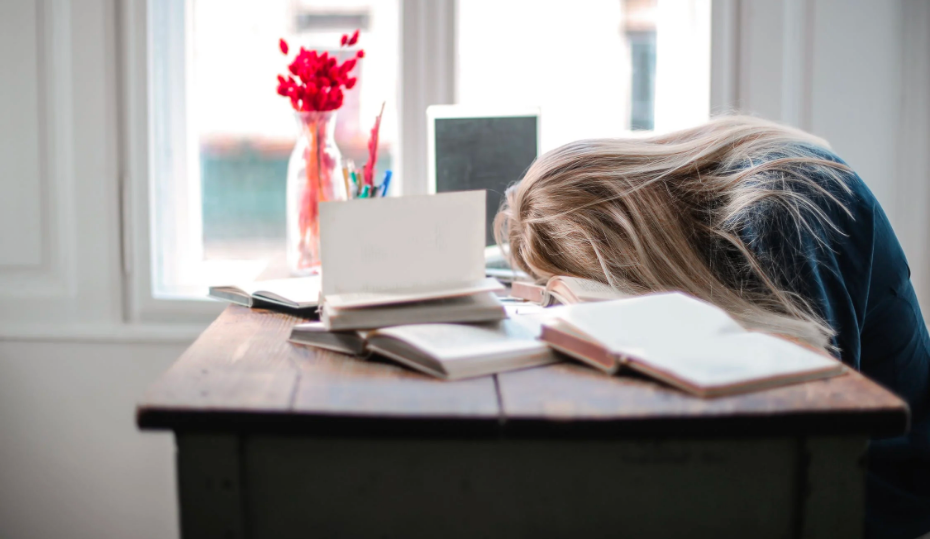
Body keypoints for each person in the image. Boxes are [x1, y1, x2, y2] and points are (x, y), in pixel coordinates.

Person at [495, 115, 930, 539]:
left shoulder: (781, 207)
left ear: (622, 246)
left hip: (880, 477)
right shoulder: (721, 194)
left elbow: (810, 428)